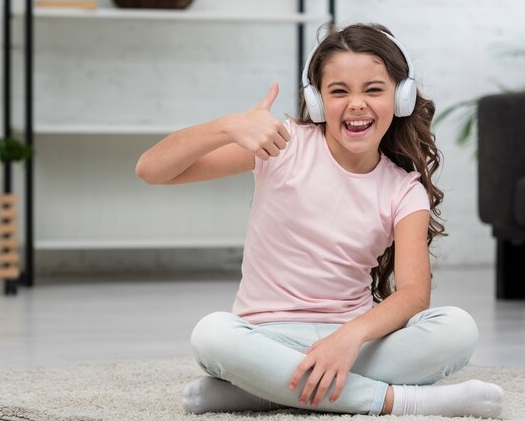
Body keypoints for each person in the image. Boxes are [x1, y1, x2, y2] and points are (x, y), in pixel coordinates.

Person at [135, 23, 505, 417]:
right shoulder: (283, 147)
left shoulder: (403, 189)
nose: (357, 103)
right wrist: (227, 126)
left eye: (373, 89)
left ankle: (262, 391)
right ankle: (402, 402)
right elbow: (151, 169)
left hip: (351, 343)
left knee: (458, 328)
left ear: (401, 98)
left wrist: (349, 337)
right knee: (212, 334)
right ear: (316, 101)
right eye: (339, 91)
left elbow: (414, 295)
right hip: (264, 337)